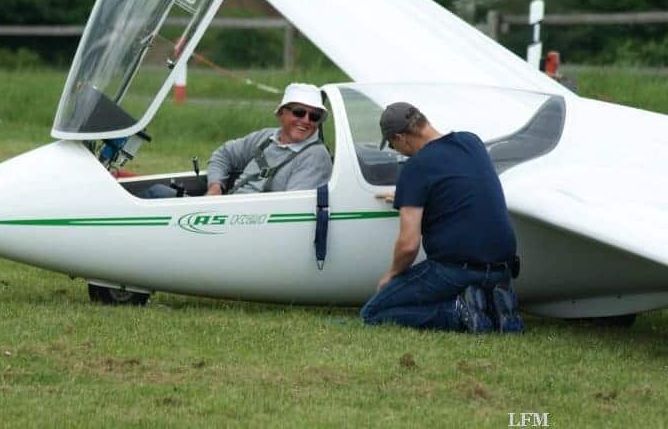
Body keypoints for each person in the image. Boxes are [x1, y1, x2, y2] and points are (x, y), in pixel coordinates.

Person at [360, 102, 523, 333]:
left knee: (372, 313)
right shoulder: (471, 142)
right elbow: (460, 187)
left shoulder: (415, 167)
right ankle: (496, 308)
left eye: (393, 145)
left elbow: (408, 245)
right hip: (502, 269)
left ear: (400, 137)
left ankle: (459, 313)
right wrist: (409, 196)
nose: (397, 151)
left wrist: (392, 274)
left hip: (456, 271)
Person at [139, 83, 332, 198]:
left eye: (314, 116)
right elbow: (223, 154)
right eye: (299, 112)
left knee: (156, 194)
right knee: (156, 191)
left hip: (249, 226)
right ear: (281, 113)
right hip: (226, 211)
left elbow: (291, 211)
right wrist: (215, 187)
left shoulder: (315, 157)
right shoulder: (266, 137)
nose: (306, 120)